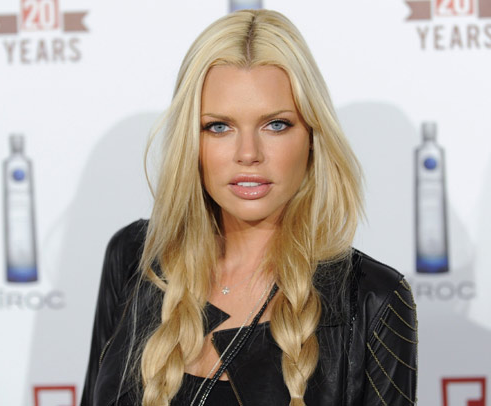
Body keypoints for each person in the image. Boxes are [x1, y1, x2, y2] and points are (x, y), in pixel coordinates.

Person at [81, 9, 417, 406]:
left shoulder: (371, 299)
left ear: (311, 136)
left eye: (275, 124)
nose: (248, 154)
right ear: (192, 141)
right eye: (218, 126)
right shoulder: (137, 257)